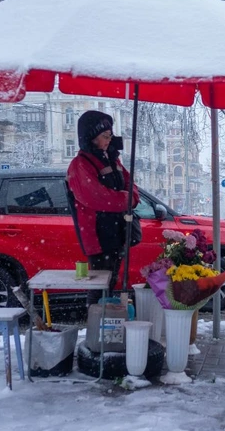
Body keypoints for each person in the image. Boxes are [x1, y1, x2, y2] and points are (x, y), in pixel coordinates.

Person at [67, 110, 140, 306]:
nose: (109, 140)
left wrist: (130, 196)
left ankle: (105, 322)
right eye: (104, 136)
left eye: (110, 136)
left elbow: (130, 182)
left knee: (111, 280)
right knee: (99, 283)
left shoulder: (112, 159)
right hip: (98, 235)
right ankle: (95, 324)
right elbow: (96, 197)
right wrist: (126, 199)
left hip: (115, 232)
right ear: (91, 137)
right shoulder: (81, 164)